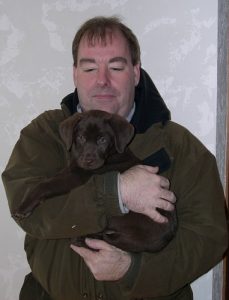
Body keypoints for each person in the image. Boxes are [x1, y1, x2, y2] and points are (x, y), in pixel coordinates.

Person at [2, 16, 228, 300]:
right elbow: (28, 208)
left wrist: (132, 270)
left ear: (135, 73)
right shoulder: (46, 133)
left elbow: (209, 238)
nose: (102, 80)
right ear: (74, 73)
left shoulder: (180, 147)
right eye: (89, 67)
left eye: (116, 66)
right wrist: (117, 191)